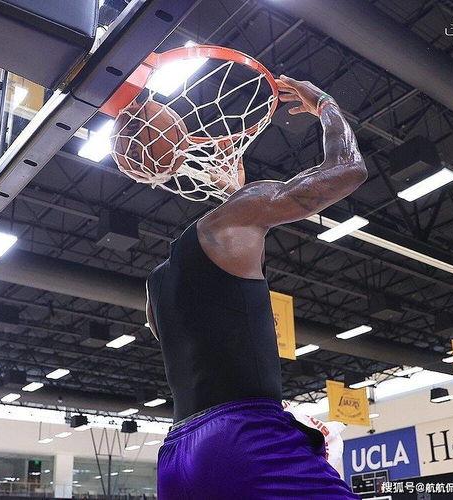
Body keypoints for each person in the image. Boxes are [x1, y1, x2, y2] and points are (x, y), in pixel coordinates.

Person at [146, 75, 366, 499]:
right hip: (243, 439)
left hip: (175, 458)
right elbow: (348, 169)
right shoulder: (235, 217)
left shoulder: (155, 283)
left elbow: (210, 325)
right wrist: (326, 104)